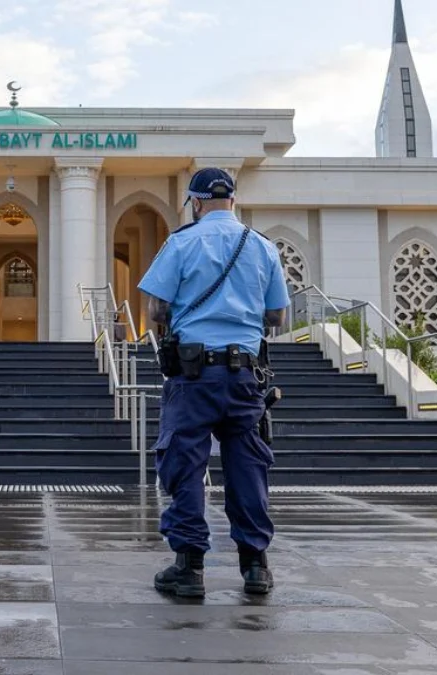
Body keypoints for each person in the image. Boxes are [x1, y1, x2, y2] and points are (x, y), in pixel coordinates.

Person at [138, 167, 289, 597]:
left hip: (193, 373)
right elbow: (277, 315)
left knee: (185, 464)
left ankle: (189, 567)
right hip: (245, 374)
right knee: (247, 465)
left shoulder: (183, 242)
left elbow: (156, 309)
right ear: (234, 201)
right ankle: (255, 567)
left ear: (197, 203)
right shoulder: (262, 247)